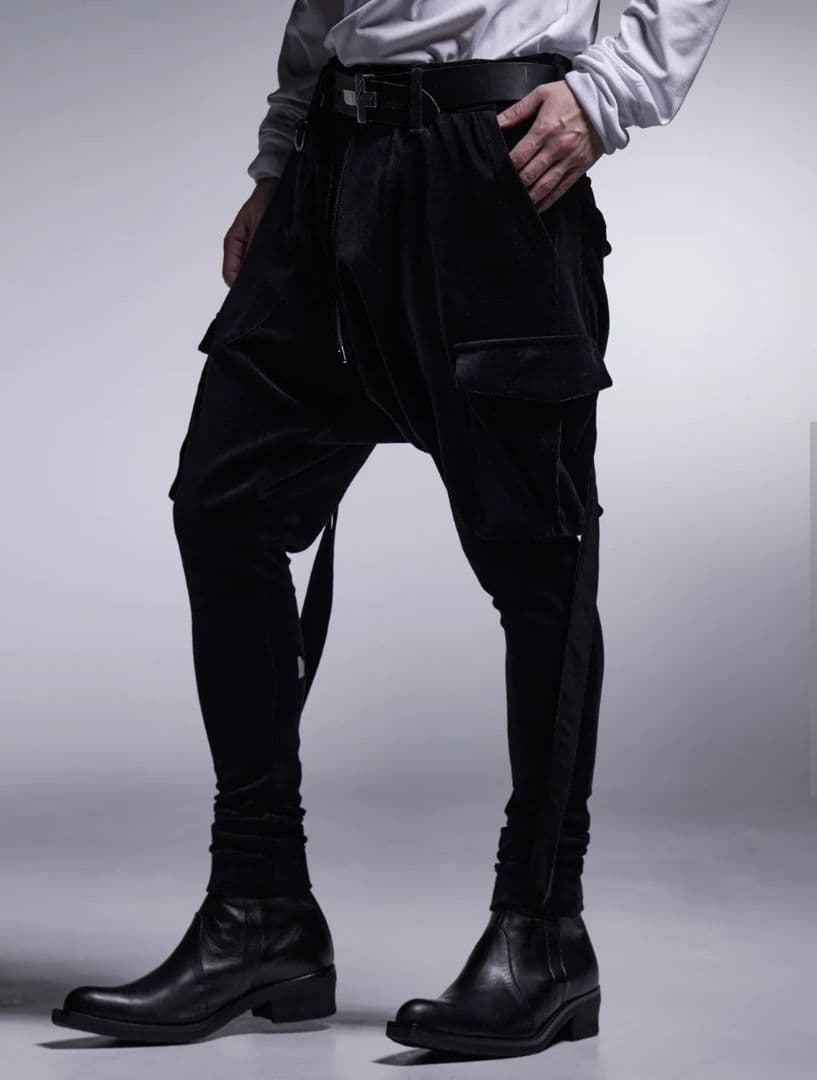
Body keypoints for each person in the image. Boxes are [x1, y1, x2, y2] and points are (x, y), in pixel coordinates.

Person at [52, 0, 731, 1058]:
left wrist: (612, 89)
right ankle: (260, 909)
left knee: (538, 560)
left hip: (488, 161)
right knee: (225, 506)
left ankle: (542, 932)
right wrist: (280, 159)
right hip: (333, 166)